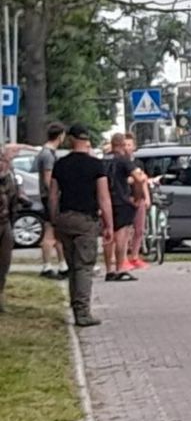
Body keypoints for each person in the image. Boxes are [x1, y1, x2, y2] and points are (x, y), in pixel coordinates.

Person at [50, 124, 113, 327]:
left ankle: (74, 305)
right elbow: (104, 198)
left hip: (65, 219)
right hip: (86, 220)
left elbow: (53, 196)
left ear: (70, 139)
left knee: (72, 266)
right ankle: (83, 313)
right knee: (84, 267)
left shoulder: (60, 164)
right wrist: (109, 225)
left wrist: (54, 220)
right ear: (87, 140)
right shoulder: (96, 166)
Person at [102, 133, 143, 281]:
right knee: (121, 236)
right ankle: (119, 268)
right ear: (121, 144)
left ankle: (108, 270)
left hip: (105, 201)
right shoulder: (123, 160)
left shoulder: (103, 161)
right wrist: (138, 198)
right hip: (122, 201)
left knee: (108, 235)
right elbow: (138, 178)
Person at [34, 122, 68, 279]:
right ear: (60, 135)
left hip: (49, 197)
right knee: (50, 232)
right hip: (50, 198)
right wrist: (56, 194)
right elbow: (48, 179)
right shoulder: (48, 154)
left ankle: (63, 264)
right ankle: (47, 266)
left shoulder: (45, 153)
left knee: (58, 232)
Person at [123, 134, 150, 269]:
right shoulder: (121, 163)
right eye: (125, 144)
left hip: (139, 198)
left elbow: (143, 180)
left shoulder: (138, 163)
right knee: (126, 229)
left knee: (139, 229)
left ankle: (135, 256)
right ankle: (123, 258)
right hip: (126, 199)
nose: (127, 147)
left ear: (134, 147)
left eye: (129, 145)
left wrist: (147, 197)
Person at [0, 153, 19, 313]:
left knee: (4, 262)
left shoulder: (9, 178)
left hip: (5, 223)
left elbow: (14, 201)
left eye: (3, 160)